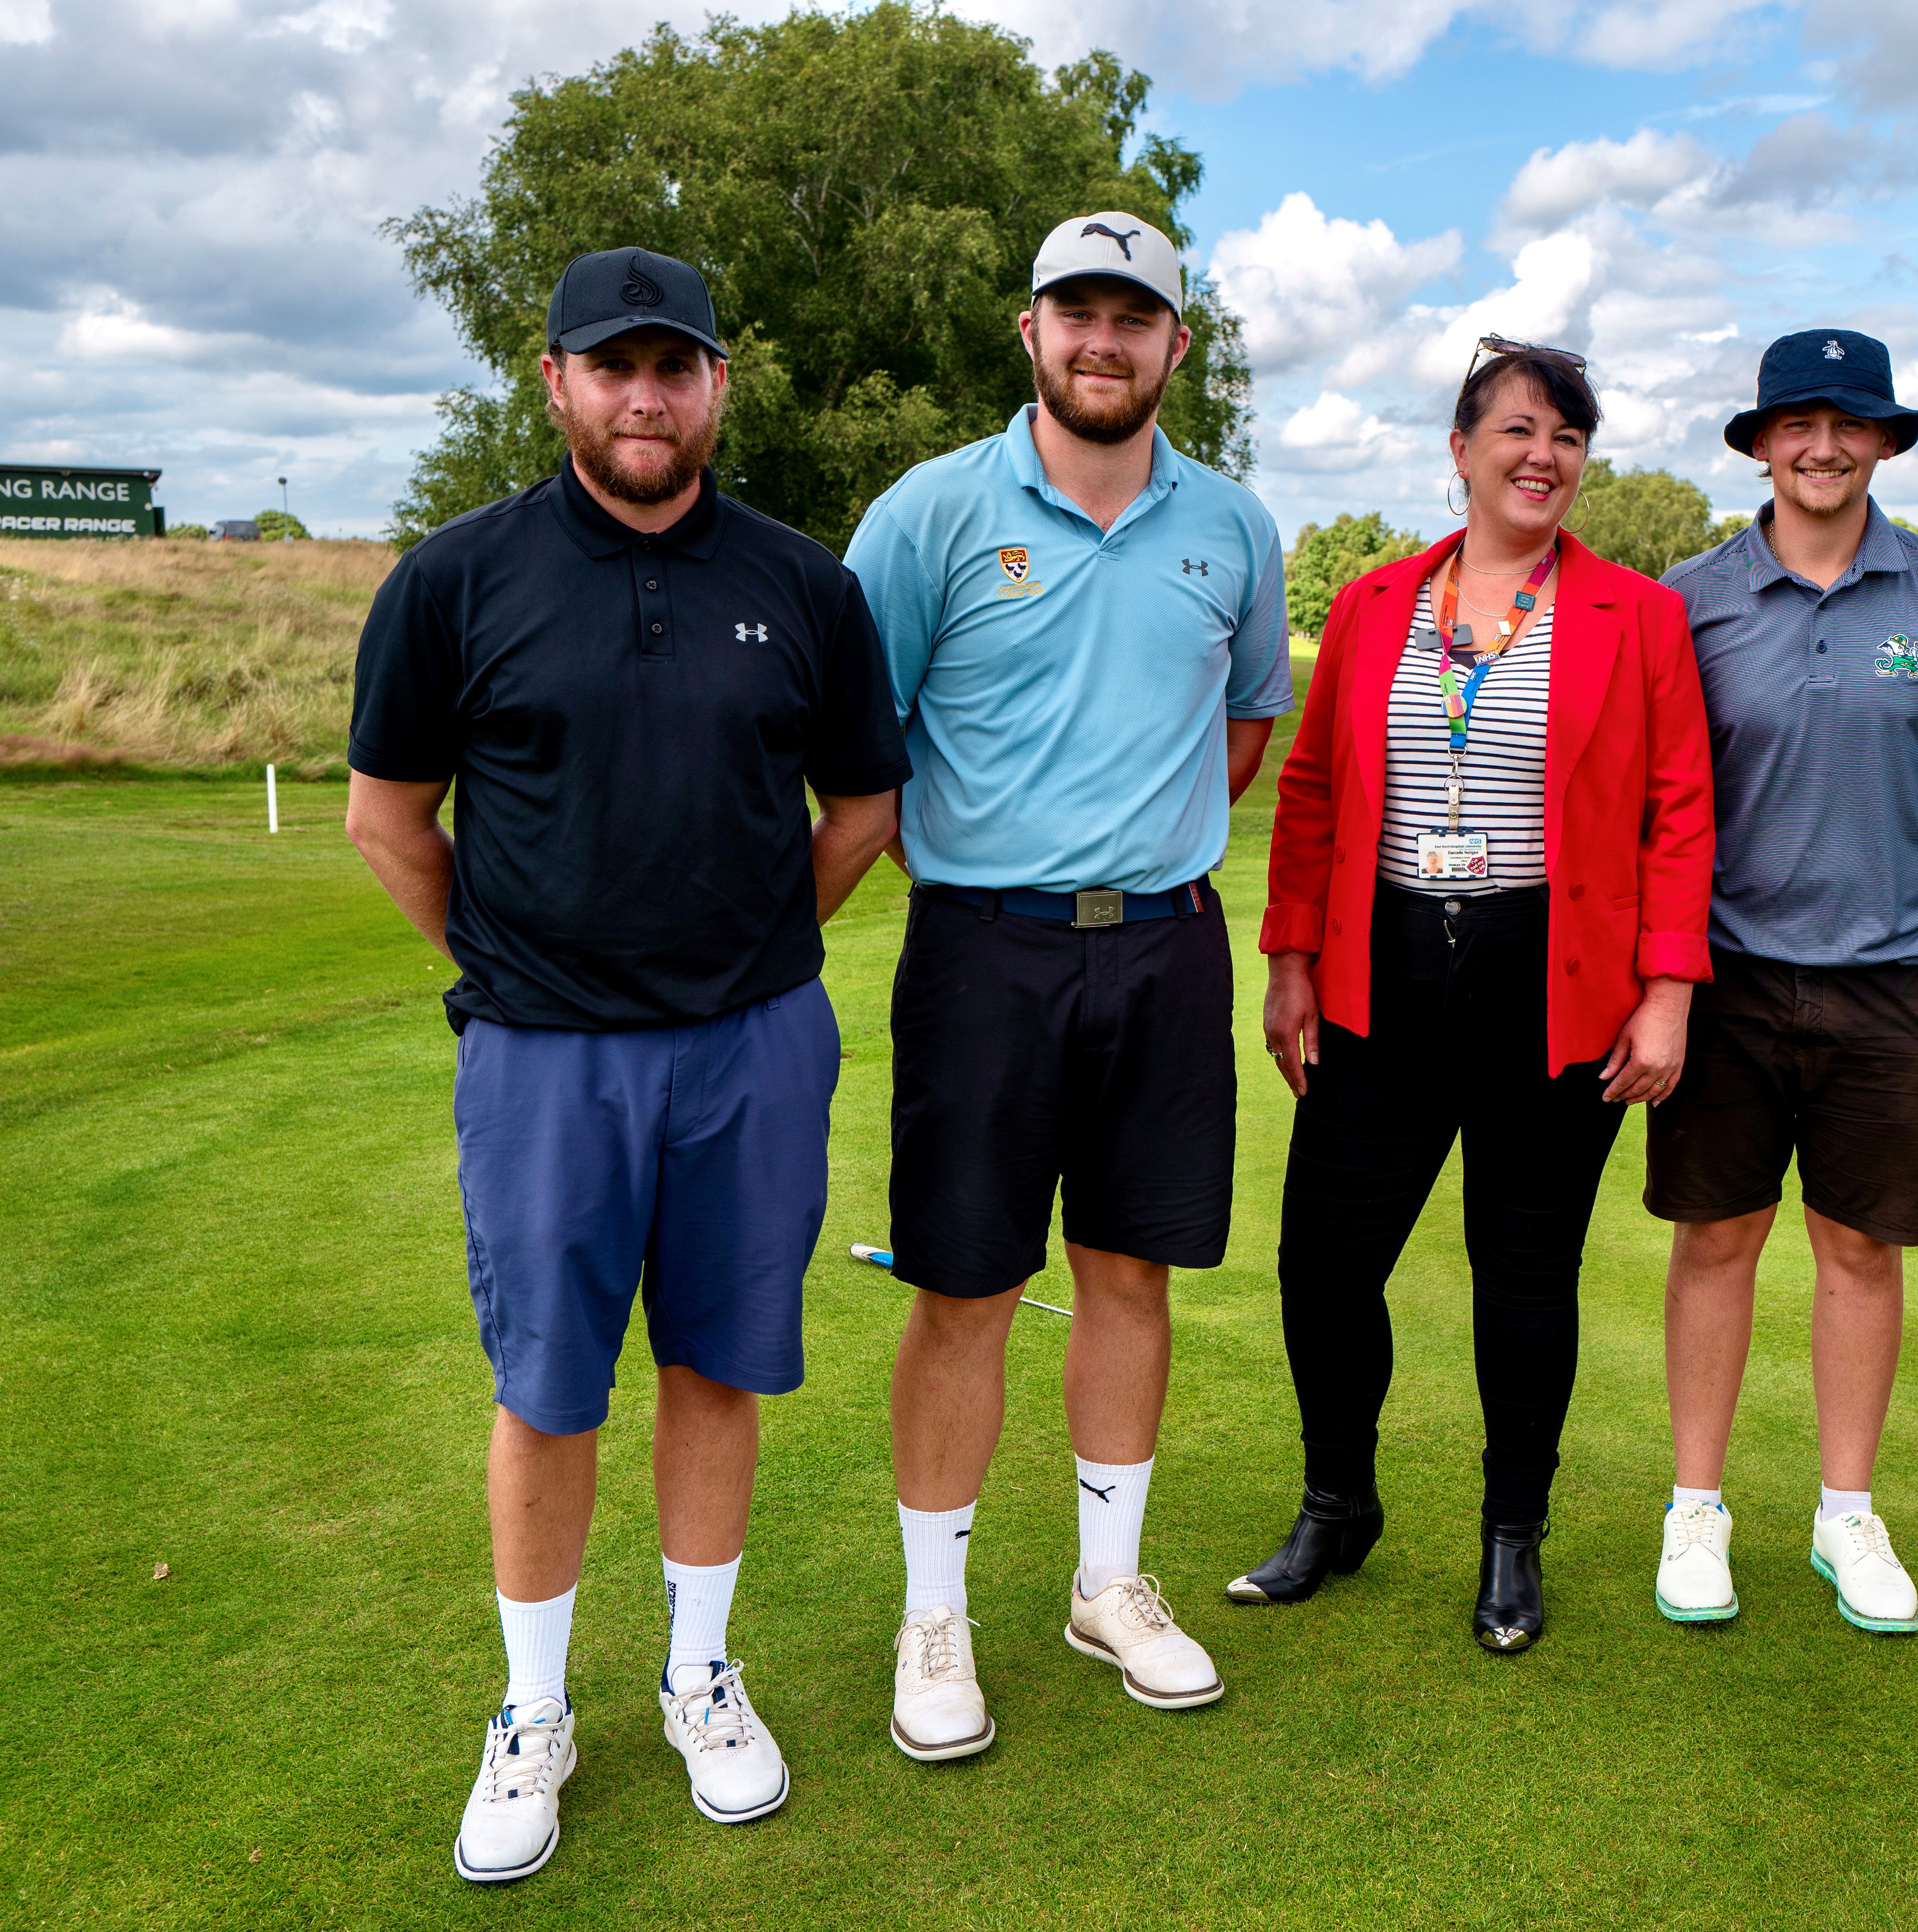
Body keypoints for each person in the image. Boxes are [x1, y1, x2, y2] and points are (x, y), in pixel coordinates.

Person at [345, 247, 910, 1881]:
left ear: (720, 383)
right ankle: (532, 1715)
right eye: (615, 367)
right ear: (557, 384)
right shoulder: (458, 579)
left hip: (751, 1047)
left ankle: (697, 1676)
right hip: (542, 1060)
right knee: (547, 1387)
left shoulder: (806, 584)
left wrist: (738, 958)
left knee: (717, 1364)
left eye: (676, 367)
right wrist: (523, 970)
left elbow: (862, 805)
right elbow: (391, 819)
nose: (645, 396)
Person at [842, 211, 1290, 1759]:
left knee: (1129, 1271)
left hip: (1164, 943)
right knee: (962, 1283)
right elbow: (859, 744)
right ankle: (935, 1618)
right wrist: (994, 881)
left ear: (1178, 344)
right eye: (1076, 311)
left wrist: (1128, 857)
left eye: (1136, 315)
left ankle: (1106, 1586)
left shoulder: (1230, 523)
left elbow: (1241, 731)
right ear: (1028, 331)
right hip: (985, 949)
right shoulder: (931, 512)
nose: (1105, 339)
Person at [1232, 337, 1716, 1654]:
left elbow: (1681, 812)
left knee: (1523, 1277)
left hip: (1550, 985)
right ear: (1461, 452)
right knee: (1324, 1264)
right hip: (1381, 974)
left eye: (1565, 435)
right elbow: (1319, 790)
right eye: (1515, 429)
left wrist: (1667, 992)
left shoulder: (1639, 614)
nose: (1540, 455)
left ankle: (1514, 1538)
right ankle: (1340, 1505)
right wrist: (1288, 963)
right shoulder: (1383, 602)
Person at [1648, 330, 1918, 1634]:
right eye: (1798, 424)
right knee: (1717, 1240)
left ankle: (1844, 1515)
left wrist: (1891, 882)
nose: (1824, 446)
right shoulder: (1689, 597)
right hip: (1727, 978)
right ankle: (1696, 1509)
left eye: (1851, 424)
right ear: (1761, 443)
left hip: (1891, 985)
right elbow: (1662, 795)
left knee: (1861, 1249)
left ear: (1885, 442)